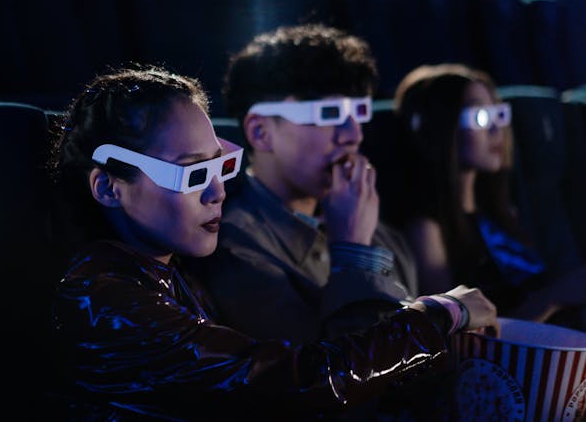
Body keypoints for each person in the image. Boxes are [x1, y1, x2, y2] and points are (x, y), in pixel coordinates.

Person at [48, 64, 497, 420]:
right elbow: (292, 384)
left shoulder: (170, 275)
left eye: (222, 166)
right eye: (194, 174)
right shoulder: (103, 297)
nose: (218, 192)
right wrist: (437, 314)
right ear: (109, 187)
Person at [186, 24, 427, 342]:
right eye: (329, 113)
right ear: (261, 132)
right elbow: (339, 380)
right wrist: (352, 251)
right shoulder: (236, 252)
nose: (353, 135)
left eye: (358, 113)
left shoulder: (375, 229)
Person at [394, 63, 586, 325]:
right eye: (481, 116)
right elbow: (447, 337)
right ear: (442, 127)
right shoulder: (427, 231)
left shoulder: (501, 212)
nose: (497, 130)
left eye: (499, 114)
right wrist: (554, 296)